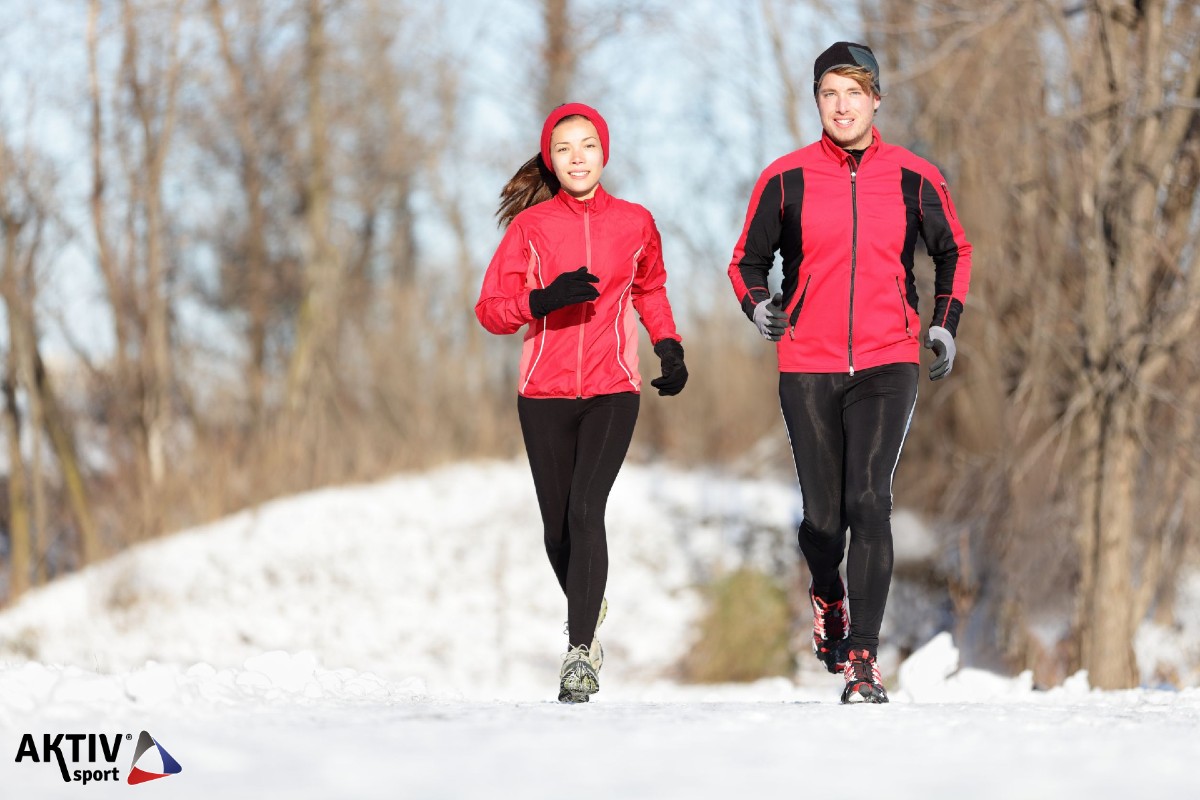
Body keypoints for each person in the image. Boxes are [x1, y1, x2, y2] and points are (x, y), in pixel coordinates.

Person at [727, 42, 972, 703]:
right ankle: (827, 595)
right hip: (807, 361)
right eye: (830, 94)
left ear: (876, 100)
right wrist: (760, 311)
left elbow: (953, 250)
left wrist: (943, 324)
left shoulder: (914, 176)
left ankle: (862, 656)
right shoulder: (787, 179)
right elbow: (745, 264)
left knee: (871, 501)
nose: (842, 105)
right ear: (818, 102)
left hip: (888, 357)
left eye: (854, 93)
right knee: (825, 521)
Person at [476, 102, 687, 703]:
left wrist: (669, 347)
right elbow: (490, 309)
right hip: (542, 395)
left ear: (604, 152)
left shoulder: (635, 221)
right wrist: (542, 300)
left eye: (587, 145)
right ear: (551, 158)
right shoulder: (531, 229)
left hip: (612, 389)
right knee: (557, 530)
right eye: (564, 148)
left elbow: (651, 288)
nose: (577, 157)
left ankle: (578, 653)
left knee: (586, 509)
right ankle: (588, 609)